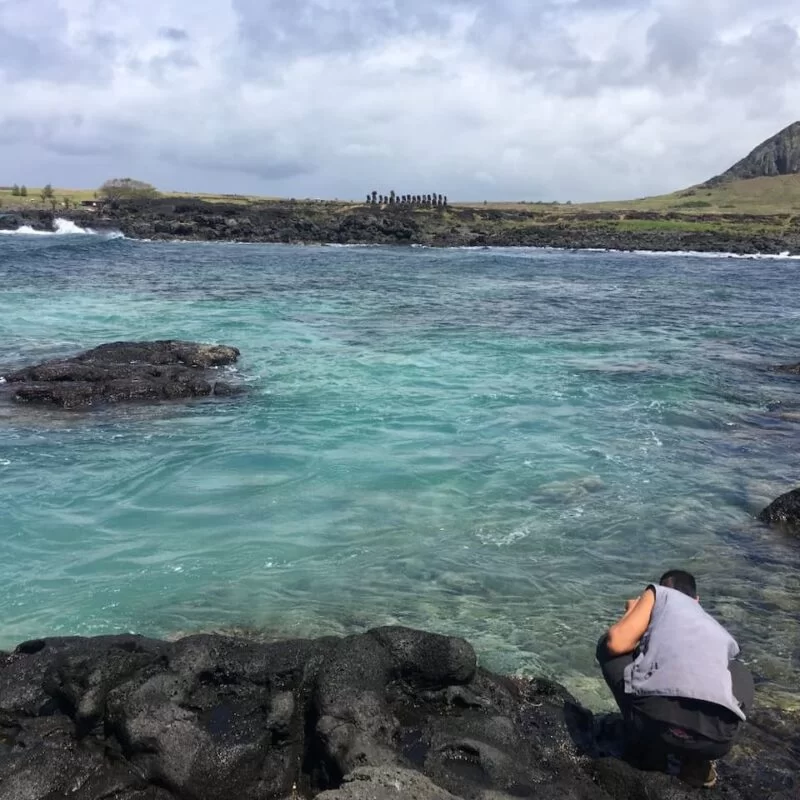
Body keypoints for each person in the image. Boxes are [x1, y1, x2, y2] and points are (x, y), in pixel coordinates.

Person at [596, 570, 754, 789]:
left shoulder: (659, 593)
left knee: (607, 644)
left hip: (654, 727)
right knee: (736, 669)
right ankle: (696, 762)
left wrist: (633, 610)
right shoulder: (715, 628)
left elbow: (616, 643)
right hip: (716, 741)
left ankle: (649, 749)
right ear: (696, 600)